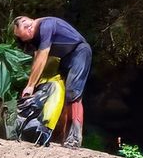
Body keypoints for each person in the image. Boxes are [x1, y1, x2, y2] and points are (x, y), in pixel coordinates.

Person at [16, 13, 92, 149]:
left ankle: (74, 137)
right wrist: (34, 82)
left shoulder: (46, 25)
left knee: (73, 93)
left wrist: (30, 85)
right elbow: (37, 59)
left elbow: (43, 55)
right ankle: (61, 136)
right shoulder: (36, 38)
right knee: (60, 93)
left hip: (79, 51)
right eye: (23, 34)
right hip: (65, 58)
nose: (28, 31)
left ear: (31, 21)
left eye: (27, 26)